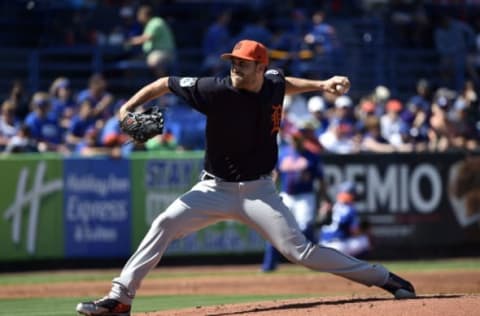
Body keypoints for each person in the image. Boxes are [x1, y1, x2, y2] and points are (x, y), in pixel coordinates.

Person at [76, 39, 416, 316]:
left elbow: (286, 84)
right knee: (164, 223)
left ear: (260, 68)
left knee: (302, 253)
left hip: (259, 192)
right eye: (233, 61)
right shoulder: (213, 90)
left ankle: (384, 278)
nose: (235, 66)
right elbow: (163, 83)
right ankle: (120, 299)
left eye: (242, 62)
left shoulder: (273, 83)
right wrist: (126, 109)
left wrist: (321, 85)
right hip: (213, 188)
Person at [262, 124, 330, 272]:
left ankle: (315, 263)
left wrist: (325, 199)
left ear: (303, 139)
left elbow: (322, 180)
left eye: (298, 138)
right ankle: (269, 265)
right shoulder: (283, 153)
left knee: (306, 227)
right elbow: (275, 176)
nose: (295, 141)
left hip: (305, 196)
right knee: (276, 228)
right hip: (287, 195)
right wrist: (270, 194)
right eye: (293, 138)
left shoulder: (312, 155)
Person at [318, 181, 372, 258]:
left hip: (321, 245)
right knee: (365, 240)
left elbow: (320, 222)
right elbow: (354, 231)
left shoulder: (332, 206)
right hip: (337, 246)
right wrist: (364, 231)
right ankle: (350, 262)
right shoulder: (350, 209)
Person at [125, 4, 176, 77]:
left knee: (154, 61)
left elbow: (147, 38)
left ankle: (163, 84)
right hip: (149, 53)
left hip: (164, 52)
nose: (138, 17)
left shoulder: (156, 22)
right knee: (129, 64)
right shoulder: (148, 24)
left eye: (139, 14)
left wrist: (130, 41)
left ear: (145, 14)